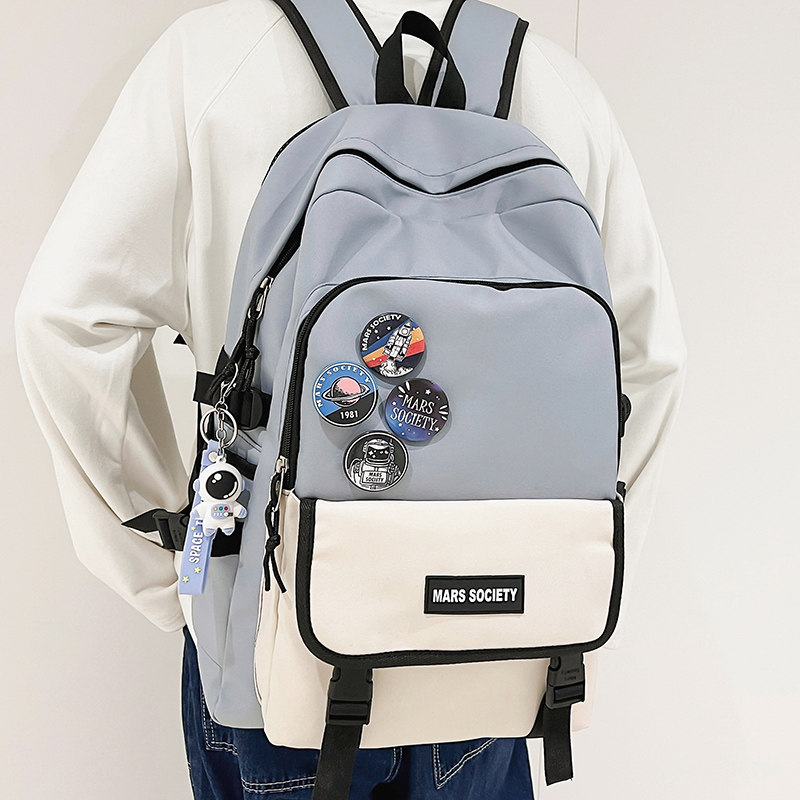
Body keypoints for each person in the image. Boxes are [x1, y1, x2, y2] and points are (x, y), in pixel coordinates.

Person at [14, 1, 687, 797]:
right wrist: (569, 583)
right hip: (502, 643)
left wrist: (183, 579)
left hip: (279, 640)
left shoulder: (209, 59)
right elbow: (651, 364)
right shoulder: (560, 84)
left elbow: (64, 323)